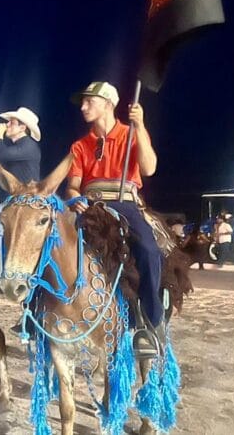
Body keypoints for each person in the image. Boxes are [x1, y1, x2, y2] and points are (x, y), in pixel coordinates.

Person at [64, 81, 164, 357]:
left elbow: (149, 168)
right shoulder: (80, 145)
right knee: (54, 243)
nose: (83, 107)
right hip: (91, 206)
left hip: (126, 203)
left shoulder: (130, 133)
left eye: (89, 102)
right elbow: (73, 185)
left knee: (147, 250)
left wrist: (140, 126)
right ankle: (36, 311)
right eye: (82, 103)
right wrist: (76, 198)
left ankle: (150, 321)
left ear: (108, 104)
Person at [0, 106, 42, 258]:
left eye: (12, 123)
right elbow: (11, 178)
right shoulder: (18, 148)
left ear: (23, 127)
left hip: (26, 199)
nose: (7, 125)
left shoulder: (29, 145)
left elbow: (1, 154)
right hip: (16, 198)